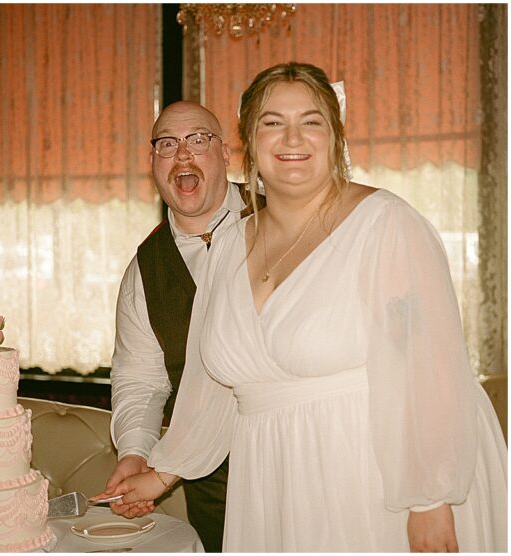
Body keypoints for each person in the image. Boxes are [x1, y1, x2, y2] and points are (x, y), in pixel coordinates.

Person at [108, 62, 508, 552]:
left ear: (335, 137)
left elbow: (429, 369)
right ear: (250, 142)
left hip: (370, 480)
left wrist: (429, 501)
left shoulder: (385, 224)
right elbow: (211, 383)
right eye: (272, 122)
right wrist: (160, 472)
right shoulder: (232, 244)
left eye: (311, 121)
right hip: (272, 484)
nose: (290, 137)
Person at [95, 101, 256, 552]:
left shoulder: (281, 217)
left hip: (304, 456)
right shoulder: (144, 271)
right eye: (167, 144)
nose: (182, 155)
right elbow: (141, 380)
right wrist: (134, 452)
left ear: (225, 153)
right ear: (152, 163)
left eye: (198, 139)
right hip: (211, 483)